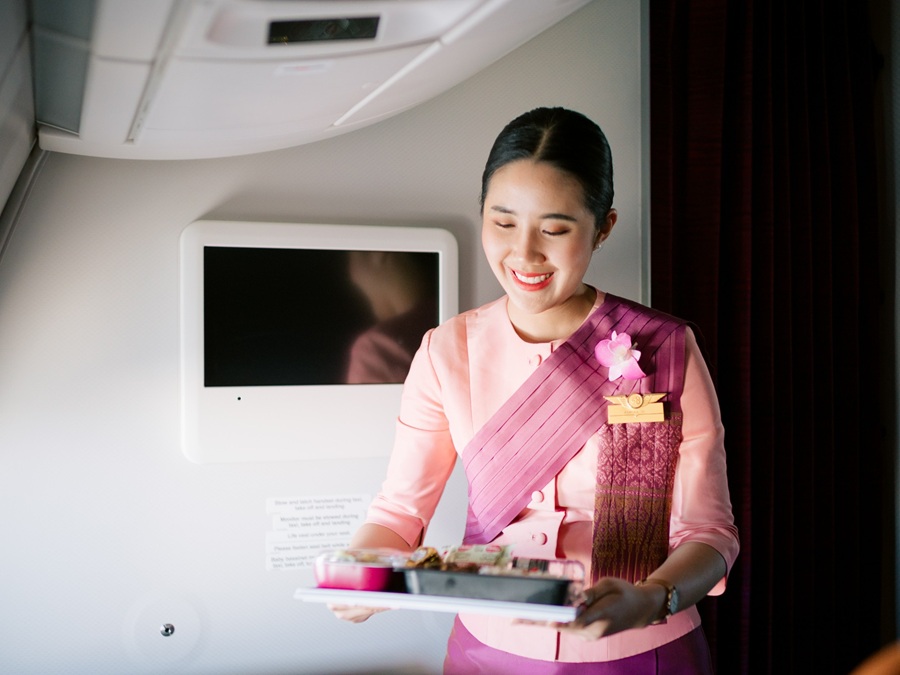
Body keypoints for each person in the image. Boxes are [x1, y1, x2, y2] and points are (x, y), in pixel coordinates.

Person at [330, 107, 739, 674]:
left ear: (604, 227)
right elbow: (399, 511)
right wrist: (362, 573)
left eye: (554, 229)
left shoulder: (663, 346)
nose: (523, 254)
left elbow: (709, 533)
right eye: (502, 223)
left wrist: (652, 598)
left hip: (641, 649)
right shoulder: (446, 352)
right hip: (487, 649)